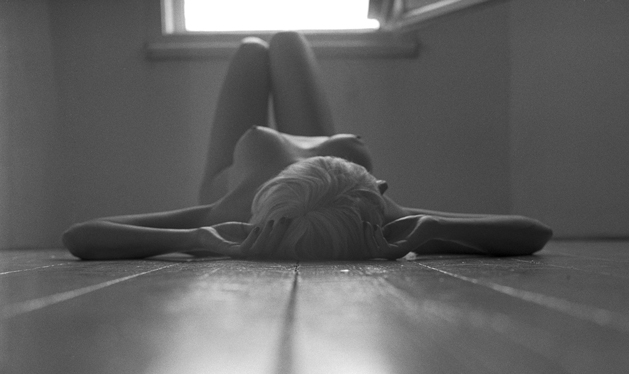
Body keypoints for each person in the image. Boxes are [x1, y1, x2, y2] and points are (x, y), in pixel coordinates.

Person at [63, 32, 553, 262]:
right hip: (320, 180)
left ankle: (260, 81)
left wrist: (195, 239)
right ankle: (326, 133)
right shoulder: (379, 214)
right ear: (378, 189)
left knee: (253, 50)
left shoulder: (231, 211)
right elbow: (532, 232)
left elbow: (81, 237)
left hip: (241, 164)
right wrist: (430, 229)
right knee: (288, 41)